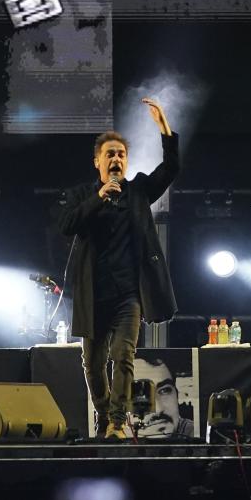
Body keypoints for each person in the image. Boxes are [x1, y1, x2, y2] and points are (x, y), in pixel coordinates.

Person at [57, 98, 179, 439]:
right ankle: (104, 413)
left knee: (123, 354)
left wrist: (165, 132)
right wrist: (98, 198)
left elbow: (169, 171)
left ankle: (116, 421)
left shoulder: (138, 191)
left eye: (121, 155)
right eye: (110, 154)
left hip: (129, 295)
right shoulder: (82, 194)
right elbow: (66, 225)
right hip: (94, 294)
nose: (116, 160)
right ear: (97, 161)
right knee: (93, 366)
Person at [130, 357, 194, 438]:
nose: (158, 409)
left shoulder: (194, 432)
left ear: (177, 394)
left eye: (165, 390)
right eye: (141, 394)